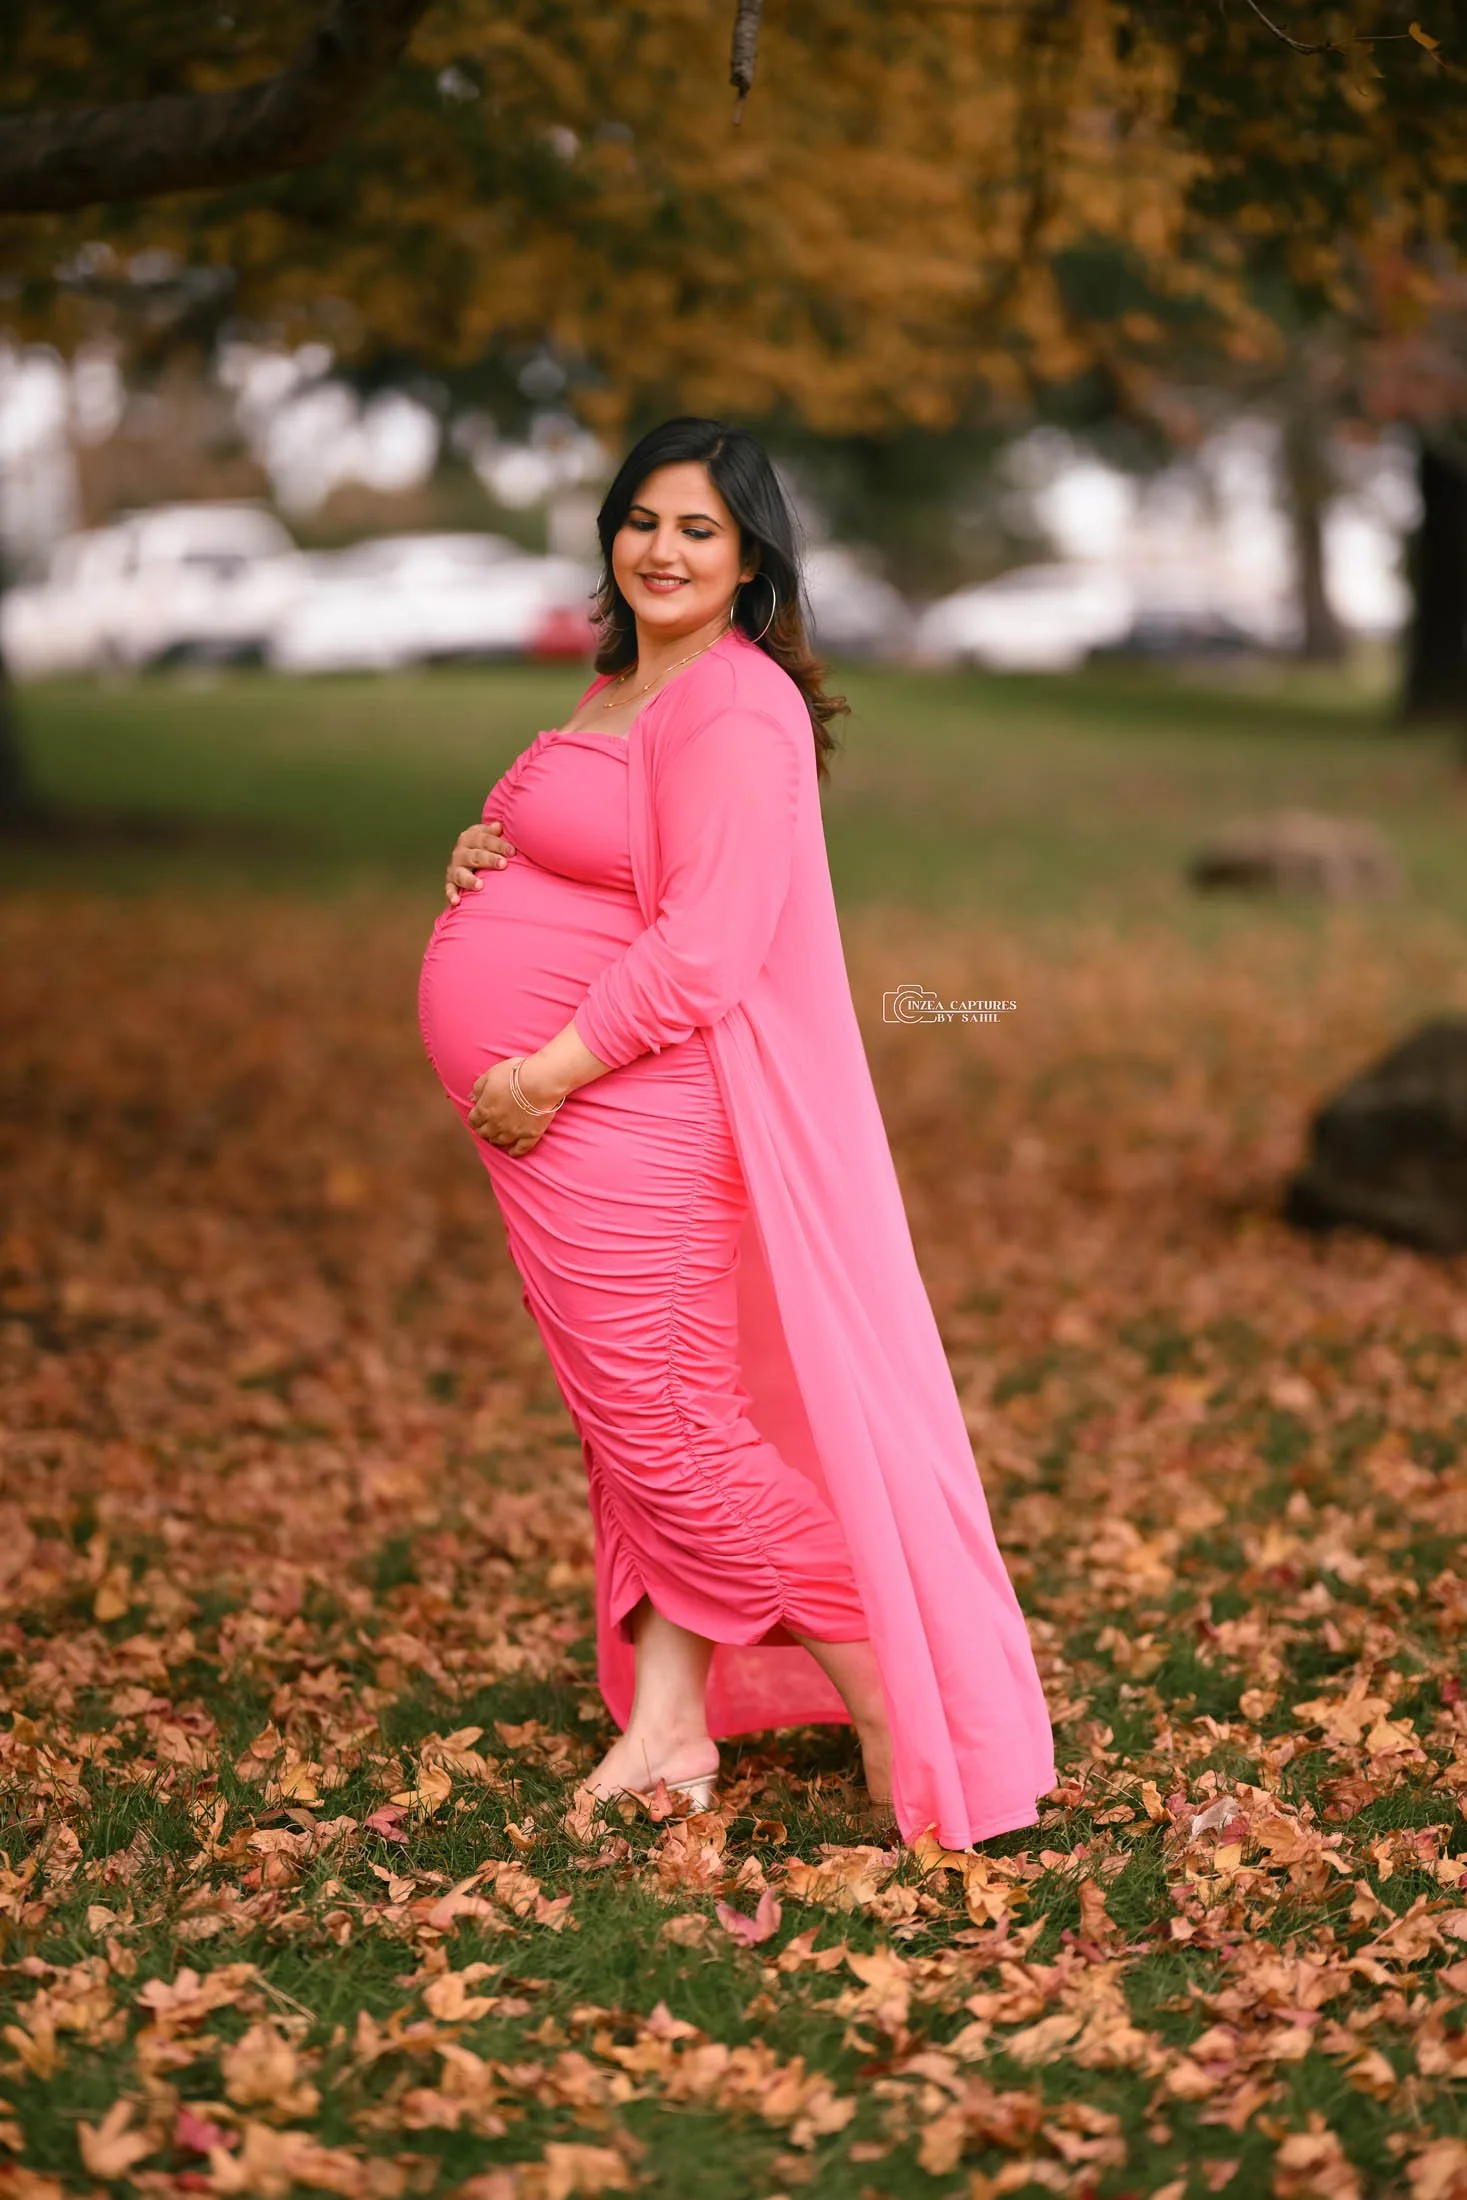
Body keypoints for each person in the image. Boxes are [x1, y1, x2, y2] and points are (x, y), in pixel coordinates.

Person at [418, 417, 1055, 1849]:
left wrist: (547, 1072)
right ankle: (667, 1725)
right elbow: (590, 846)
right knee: (632, 1428)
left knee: (677, 1431)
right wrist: (482, 857)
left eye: (698, 529)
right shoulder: (625, 682)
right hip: (570, 1120)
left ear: (751, 557)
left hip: (622, 1109)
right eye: (642, 520)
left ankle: (906, 1715)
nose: (663, 549)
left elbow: (707, 947)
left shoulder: (734, 706)